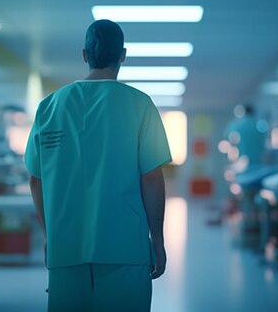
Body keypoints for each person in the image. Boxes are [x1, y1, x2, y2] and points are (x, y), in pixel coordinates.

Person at [24, 19, 171, 312]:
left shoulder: (50, 106)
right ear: (123, 55)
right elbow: (152, 178)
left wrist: (50, 237)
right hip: (125, 247)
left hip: (66, 247)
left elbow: (36, 180)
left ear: (84, 55)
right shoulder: (140, 105)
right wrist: (157, 240)